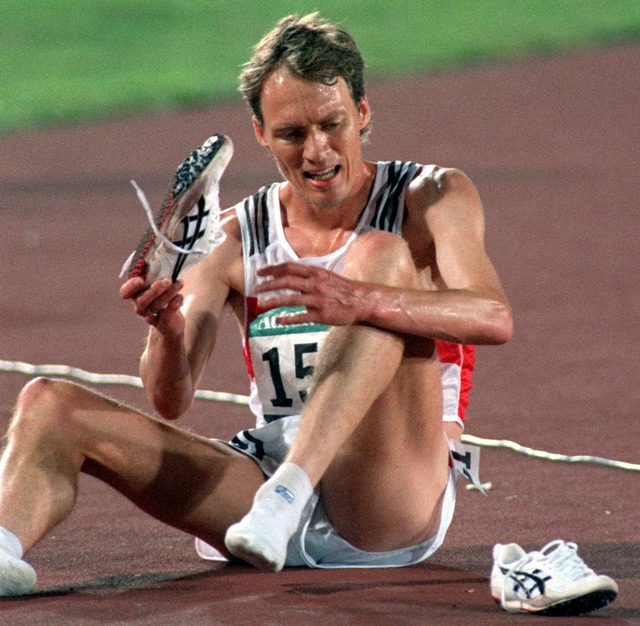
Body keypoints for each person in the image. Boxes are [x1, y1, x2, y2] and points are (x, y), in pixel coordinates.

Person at [0, 13, 512, 594]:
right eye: (293, 134)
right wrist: (165, 332)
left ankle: (290, 491)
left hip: (386, 499)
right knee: (48, 404)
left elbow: (493, 316)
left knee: (380, 254)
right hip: (261, 497)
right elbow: (170, 399)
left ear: (363, 114)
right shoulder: (235, 238)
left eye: (331, 125)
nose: (317, 152)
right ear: (262, 133)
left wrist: (362, 297)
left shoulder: (431, 196)